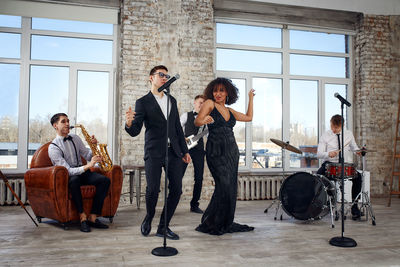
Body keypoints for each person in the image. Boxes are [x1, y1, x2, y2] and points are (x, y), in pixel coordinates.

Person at [125, 65, 191, 240]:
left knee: (176, 190)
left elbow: (177, 128)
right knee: (153, 189)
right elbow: (135, 131)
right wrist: (129, 123)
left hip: (174, 152)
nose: (164, 78)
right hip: (154, 152)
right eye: (161, 75)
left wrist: (184, 151)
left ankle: (163, 226)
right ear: (151, 78)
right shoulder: (143, 102)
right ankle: (149, 217)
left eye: (166, 76)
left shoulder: (172, 100)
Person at [194, 77, 255, 235]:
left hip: (231, 151)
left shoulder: (230, 111)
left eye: (221, 90)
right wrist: (203, 120)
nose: (218, 93)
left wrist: (250, 98)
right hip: (215, 150)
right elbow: (197, 122)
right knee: (224, 184)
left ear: (228, 92)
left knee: (230, 186)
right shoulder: (209, 104)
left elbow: (249, 117)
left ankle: (224, 220)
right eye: (215, 90)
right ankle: (213, 221)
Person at [48, 113, 111, 233]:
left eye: (68, 121)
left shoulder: (75, 138)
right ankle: (82, 217)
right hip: (68, 176)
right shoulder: (53, 147)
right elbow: (68, 171)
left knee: (105, 180)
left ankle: (93, 216)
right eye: (63, 121)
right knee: (75, 180)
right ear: (55, 125)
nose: (67, 124)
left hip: (82, 171)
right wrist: (89, 165)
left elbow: (87, 155)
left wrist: (93, 147)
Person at [316, 114, 362, 220]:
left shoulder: (349, 134)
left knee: (358, 178)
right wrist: (328, 154)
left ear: (342, 125)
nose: (333, 129)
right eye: (332, 126)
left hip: (345, 165)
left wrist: (358, 152)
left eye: (336, 128)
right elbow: (319, 154)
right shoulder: (325, 135)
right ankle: (325, 205)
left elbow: (354, 147)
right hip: (329, 164)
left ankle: (354, 207)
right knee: (317, 178)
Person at [180, 95, 207, 214]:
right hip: (185, 149)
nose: (202, 105)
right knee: (177, 176)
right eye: (200, 102)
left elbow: (209, 136)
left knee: (199, 178)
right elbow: (176, 130)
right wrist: (182, 139)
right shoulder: (186, 116)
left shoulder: (207, 120)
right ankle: (172, 201)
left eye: (204, 103)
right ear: (194, 103)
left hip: (199, 151)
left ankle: (194, 204)